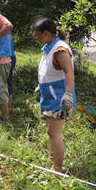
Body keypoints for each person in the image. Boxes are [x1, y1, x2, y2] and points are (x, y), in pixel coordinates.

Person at [33, 18, 75, 173]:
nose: (35, 37)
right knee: (50, 131)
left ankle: (57, 169)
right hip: (50, 95)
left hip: (59, 97)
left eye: (36, 34)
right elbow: (48, 71)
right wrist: (40, 86)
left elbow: (69, 72)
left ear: (45, 33)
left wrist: (68, 95)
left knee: (53, 132)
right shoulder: (49, 47)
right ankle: (54, 160)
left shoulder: (60, 50)